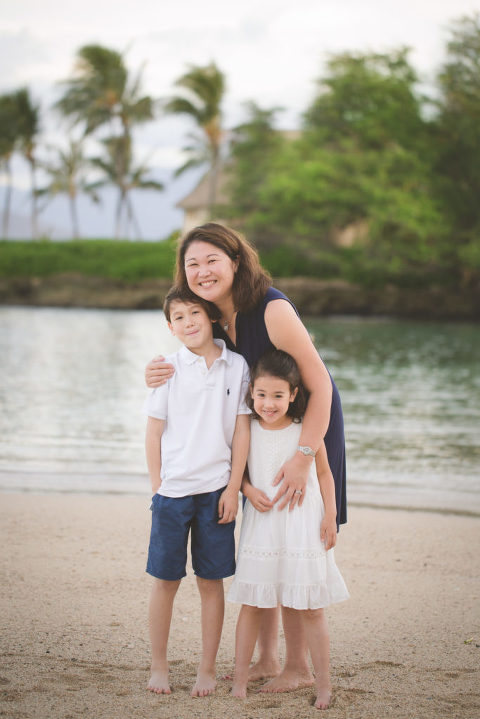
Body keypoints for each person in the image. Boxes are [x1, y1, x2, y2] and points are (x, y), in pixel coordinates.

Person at [145, 222, 347, 692]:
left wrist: (303, 455)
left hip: (306, 430)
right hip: (262, 435)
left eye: (212, 259)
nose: (202, 271)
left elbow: (321, 387)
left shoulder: (271, 308)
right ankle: (269, 658)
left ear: (236, 262)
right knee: (267, 539)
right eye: (191, 263)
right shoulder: (212, 317)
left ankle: (298, 665)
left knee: (294, 543)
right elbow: (197, 366)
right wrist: (158, 370)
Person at [144, 285, 250, 697]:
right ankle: (159, 666)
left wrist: (233, 486)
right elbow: (153, 433)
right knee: (165, 580)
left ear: (211, 318)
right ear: (170, 327)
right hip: (172, 494)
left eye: (195, 314)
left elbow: (242, 429)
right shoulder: (167, 368)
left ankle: (207, 670)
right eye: (179, 318)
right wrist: (158, 489)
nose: (189, 323)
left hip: (216, 491)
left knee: (211, 582)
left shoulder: (236, 366)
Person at [228, 349, 349, 709]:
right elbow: (239, 472)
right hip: (262, 524)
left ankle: (323, 683)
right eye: (262, 394)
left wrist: (331, 516)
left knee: (309, 606)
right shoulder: (247, 427)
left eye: (278, 395)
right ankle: (239, 679)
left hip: (302, 523)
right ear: (252, 391)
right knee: (253, 601)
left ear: (294, 394)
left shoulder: (305, 432)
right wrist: (247, 491)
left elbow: (325, 474)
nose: (268, 403)